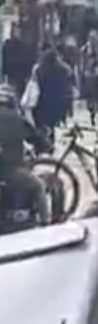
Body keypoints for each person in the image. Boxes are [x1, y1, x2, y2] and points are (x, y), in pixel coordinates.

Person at [0, 84, 51, 228]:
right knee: (39, 186)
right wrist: (46, 146)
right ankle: (46, 225)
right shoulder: (16, 119)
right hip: (9, 170)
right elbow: (37, 138)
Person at [30, 48, 73, 145]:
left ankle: (43, 142)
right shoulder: (62, 70)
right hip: (56, 102)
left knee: (41, 124)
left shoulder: (40, 70)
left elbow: (35, 82)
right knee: (51, 124)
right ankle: (50, 140)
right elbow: (67, 84)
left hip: (42, 101)